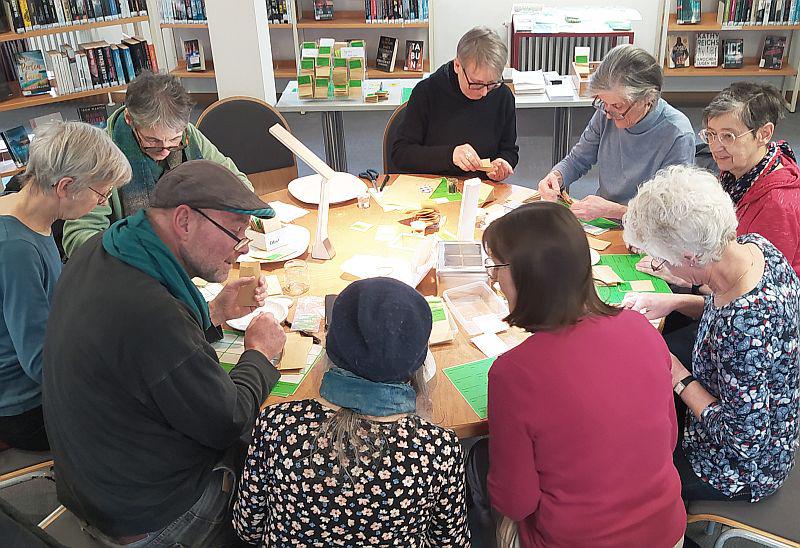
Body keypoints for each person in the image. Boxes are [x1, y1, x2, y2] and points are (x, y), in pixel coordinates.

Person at [42, 160, 285, 546]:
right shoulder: (152, 313)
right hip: (146, 518)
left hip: (90, 481)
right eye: (234, 233)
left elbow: (149, 357)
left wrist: (214, 313)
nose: (240, 249)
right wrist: (259, 353)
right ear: (184, 221)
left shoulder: (107, 249)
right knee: (272, 468)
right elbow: (229, 419)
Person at [467, 202, 685, 547]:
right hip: (667, 532)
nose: (494, 278)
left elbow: (516, 502)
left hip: (575, 539)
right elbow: (668, 439)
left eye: (496, 266)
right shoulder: (642, 328)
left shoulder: (513, 373)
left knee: (476, 470)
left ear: (527, 275)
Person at [233, 277, 470, 546]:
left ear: (330, 346)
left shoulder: (275, 425)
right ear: (419, 361)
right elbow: (450, 543)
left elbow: (248, 528)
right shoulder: (439, 449)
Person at [622, 164, 800, 504]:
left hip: (737, 468)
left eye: (660, 260)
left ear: (690, 256)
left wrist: (677, 376)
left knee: (623, 471)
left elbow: (744, 441)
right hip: (745, 403)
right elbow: (725, 309)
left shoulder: (745, 327)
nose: (660, 266)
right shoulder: (753, 247)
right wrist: (674, 301)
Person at [0, 122, 131, 451]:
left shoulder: (21, 204)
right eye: (101, 194)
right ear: (66, 186)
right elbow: (41, 363)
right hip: (27, 406)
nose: (102, 205)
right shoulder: (16, 250)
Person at [62, 72, 258, 257]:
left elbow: (239, 186)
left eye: (174, 141)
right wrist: (134, 250)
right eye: (152, 141)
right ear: (130, 119)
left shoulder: (189, 136)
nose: (165, 150)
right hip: (132, 269)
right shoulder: (100, 157)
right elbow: (79, 237)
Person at [640, 82, 800, 282]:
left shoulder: (779, 204)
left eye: (728, 136)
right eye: (711, 134)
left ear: (764, 134)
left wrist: (686, 282)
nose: (715, 147)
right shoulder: (736, 171)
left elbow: (759, 288)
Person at [538, 44, 695, 220]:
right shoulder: (607, 113)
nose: (608, 113)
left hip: (649, 230)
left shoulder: (677, 135)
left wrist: (615, 211)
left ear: (647, 99)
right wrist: (556, 177)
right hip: (602, 218)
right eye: (603, 103)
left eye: (617, 106)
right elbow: (577, 160)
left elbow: (671, 212)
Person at [390, 26, 518, 182]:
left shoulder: (503, 96)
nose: (484, 92)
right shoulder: (427, 92)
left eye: (491, 83)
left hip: (482, 191)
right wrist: (450, 155)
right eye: (476, 84)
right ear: (458, 65)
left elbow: (509, 150)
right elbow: (401, 154)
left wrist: (503, 163)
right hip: (432, 188)